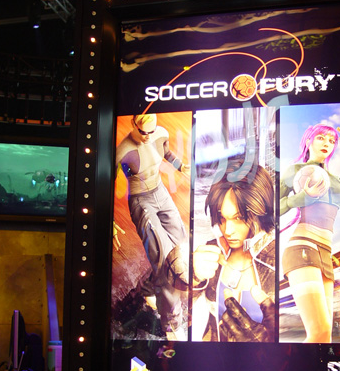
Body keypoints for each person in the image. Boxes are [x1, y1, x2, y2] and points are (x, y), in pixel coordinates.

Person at [280, 124, 340, 343]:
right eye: (321, 138)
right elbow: (272, 208)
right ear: (309, 140)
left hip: (326, 254)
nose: (327, 143)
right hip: (303, 247)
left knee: (324, 336)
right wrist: (302, 197)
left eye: (331, 140)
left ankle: (309, 368)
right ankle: (290, 367)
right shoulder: (294, 171)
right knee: (319, 331)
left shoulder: (338, 182)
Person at [114, 113, 189, 341]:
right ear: (134, 124)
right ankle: (172, 325)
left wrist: (180, 166)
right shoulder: (123, 151)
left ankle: (147, 292)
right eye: (142, 131)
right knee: (165, 261)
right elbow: (106, 182)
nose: (147, 136)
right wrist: (111, 221)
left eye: (151, 131)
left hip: (161, 194)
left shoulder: (161, 133)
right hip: (141, 201)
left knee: (181, 247)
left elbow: (165, 152)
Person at [191, 159, 275, 342]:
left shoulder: (278, 260)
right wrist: (193, 278)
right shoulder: (212, 251)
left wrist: (268, 345)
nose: (227, 230)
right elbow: (179, 309)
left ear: (261, 211)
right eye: (221, 217)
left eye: (238, 218)